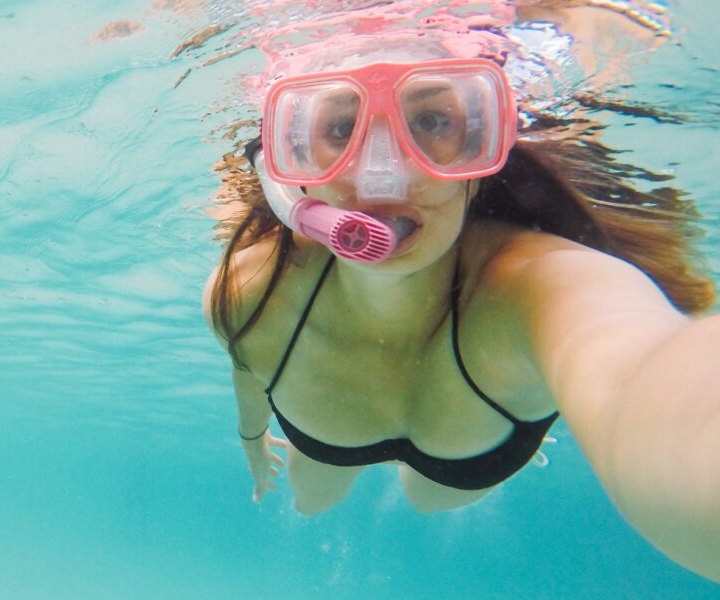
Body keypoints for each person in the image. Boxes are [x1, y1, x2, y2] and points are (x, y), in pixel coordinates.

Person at [200, 25, 720, 582]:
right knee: (313, 497)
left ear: (482, 148)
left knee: (431, 499)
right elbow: (248, 368)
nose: (383, 175)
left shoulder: (545, 287)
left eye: (430, 122)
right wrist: (253, 440)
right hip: (388, 439)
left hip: (463, 458)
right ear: (291, 168)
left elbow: (636, 367)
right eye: (342, 128)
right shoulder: (251, 289)